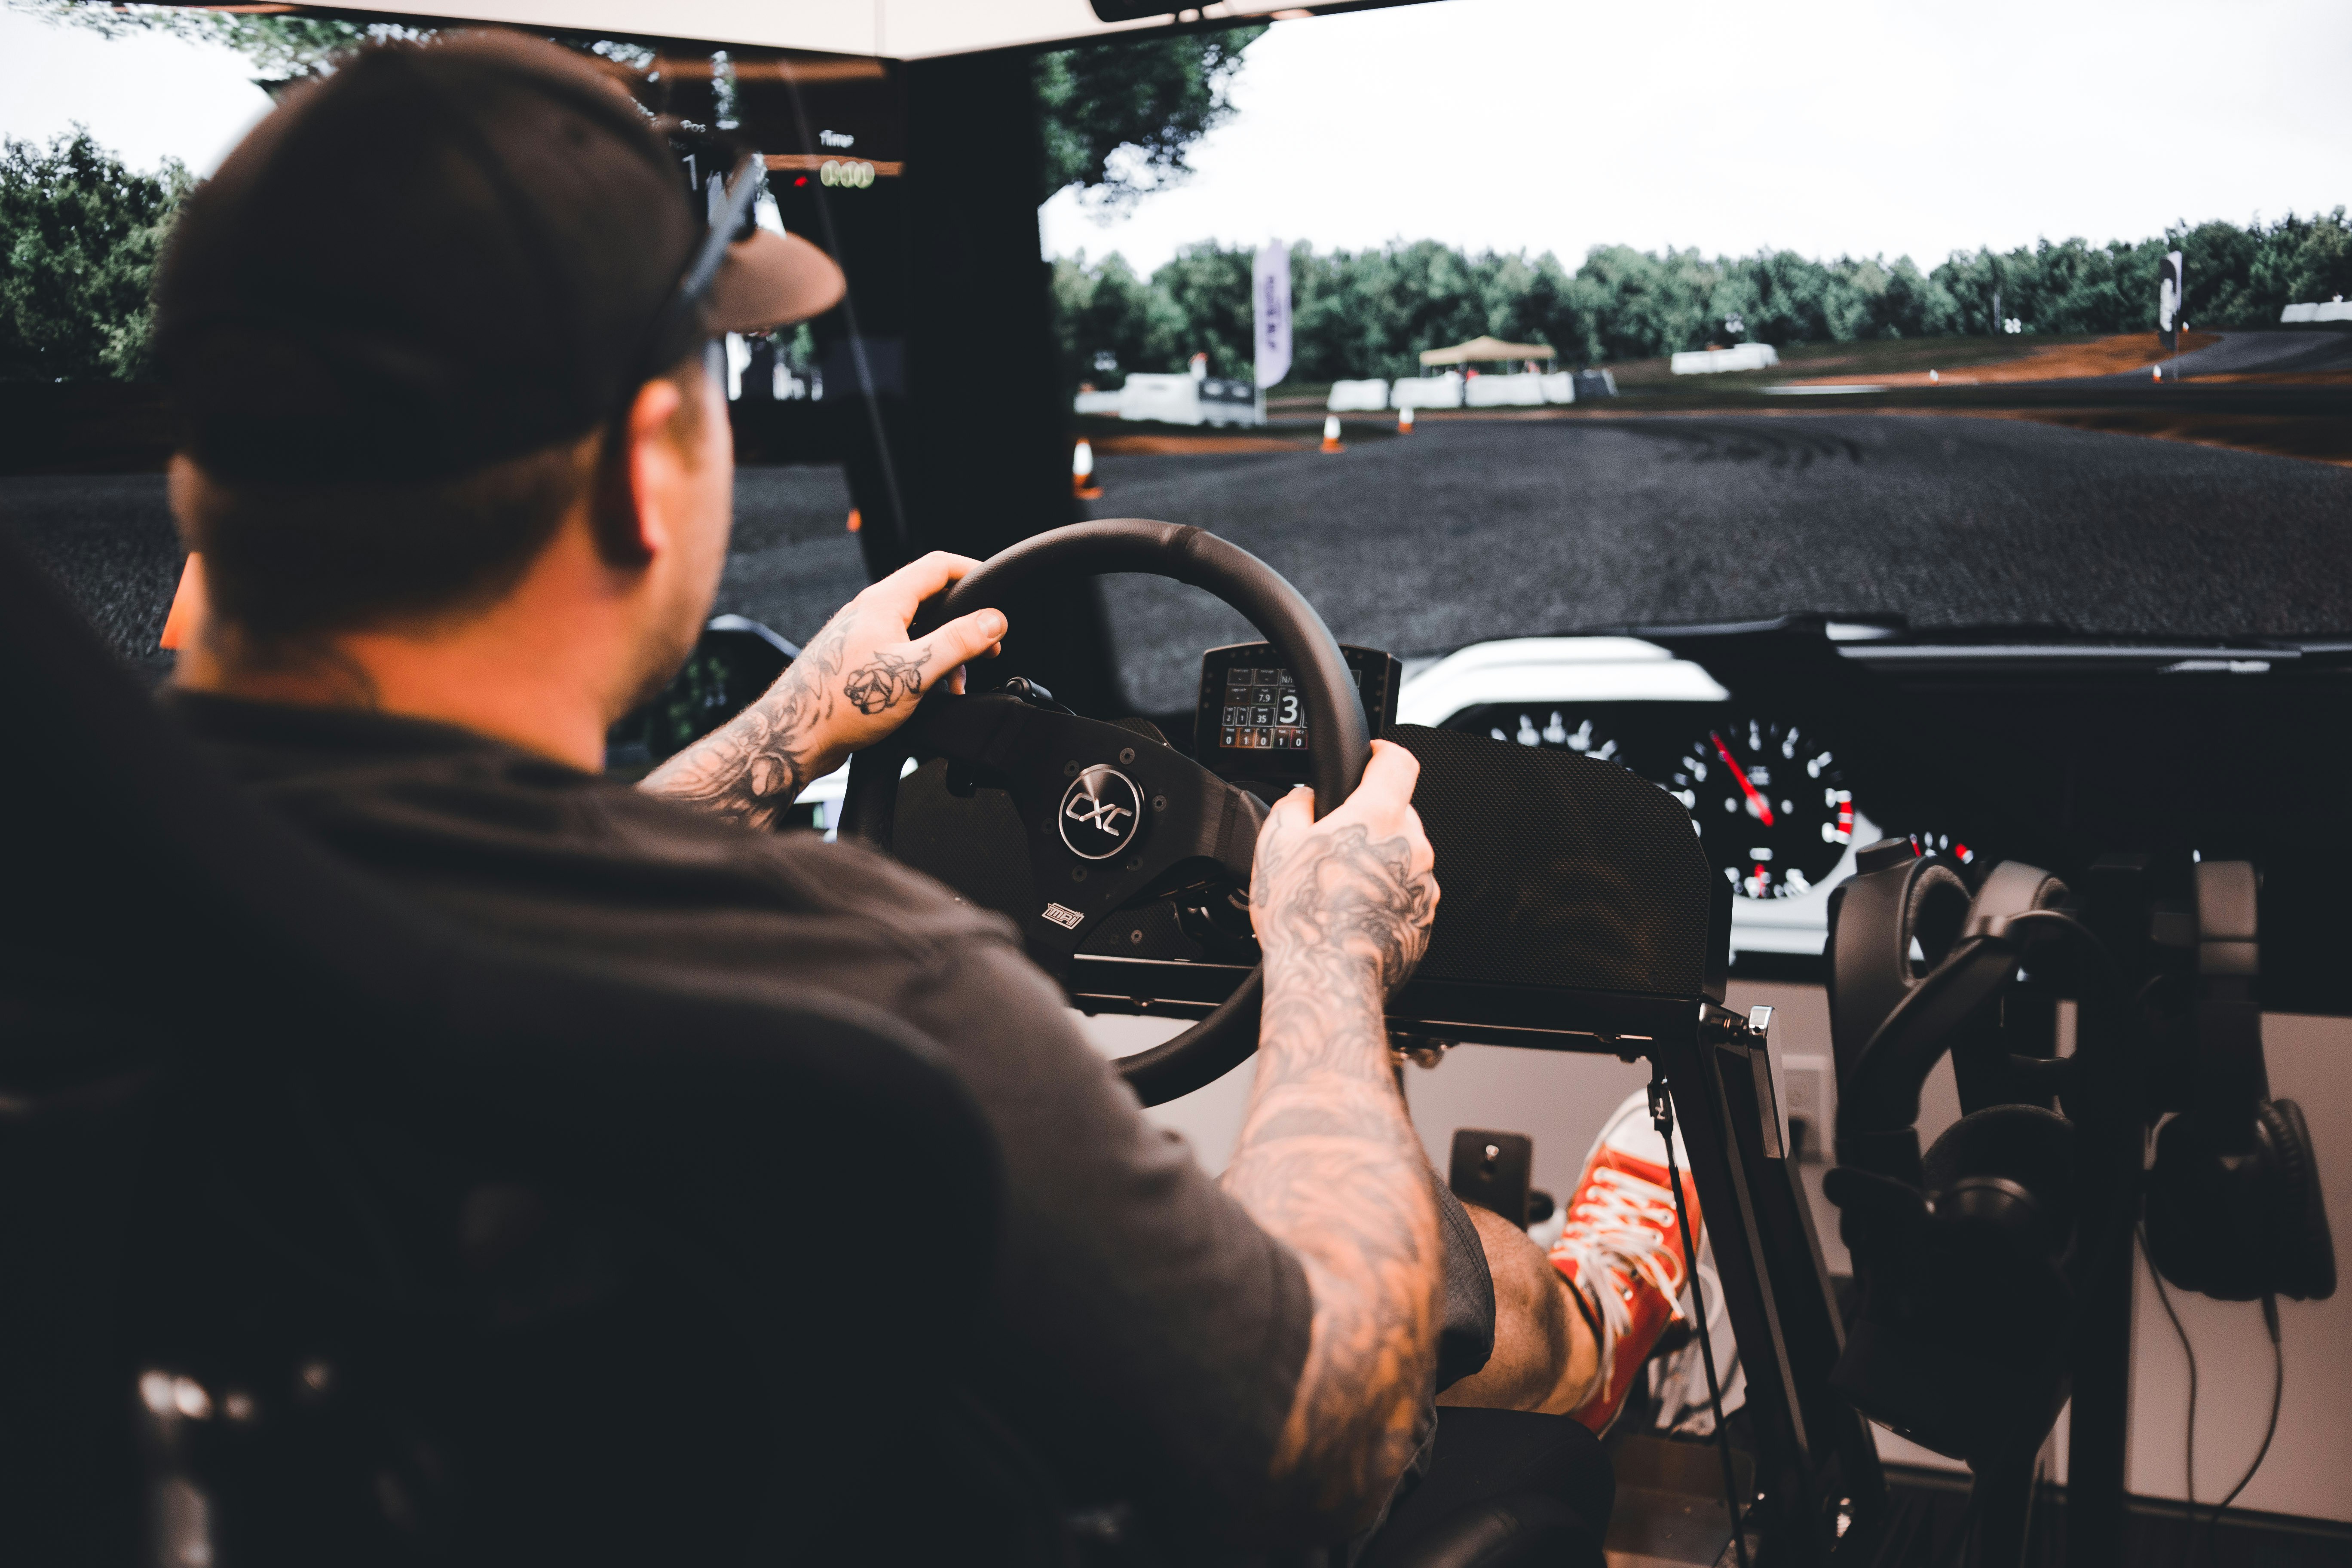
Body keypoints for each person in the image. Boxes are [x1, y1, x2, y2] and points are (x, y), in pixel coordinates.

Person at [149, 31, 1706, 1559]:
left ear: (197, 480)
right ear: (645, 471)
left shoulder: (145, 900)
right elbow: (1320, 1445)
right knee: (1414, 1258)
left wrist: (790, 733)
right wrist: (1324, 961)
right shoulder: (869, 1001)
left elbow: (491, 884)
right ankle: (1601, 1313)